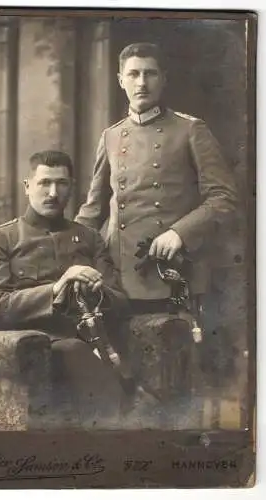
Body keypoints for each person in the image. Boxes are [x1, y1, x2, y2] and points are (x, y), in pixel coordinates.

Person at [75, 42, 238, 425]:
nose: (141, 82)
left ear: (163, 79)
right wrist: (73, 257)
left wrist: (180, 233)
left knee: (169, 387)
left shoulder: (190, 129)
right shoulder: (112, 137)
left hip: (170, 277)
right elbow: (92, 209)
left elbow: (224, 198)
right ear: (120, 81)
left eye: (150, 73)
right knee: (114, 379)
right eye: (133, 74)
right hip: (116, 278)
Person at [0, 150, 131, 427]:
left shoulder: (89, 238)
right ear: (27, 187)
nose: (53, 192)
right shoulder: (1, 238)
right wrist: (57, 288)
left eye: (61, 183)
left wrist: (98, 290)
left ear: (71, 188)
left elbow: (120, 302)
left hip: (95, 340)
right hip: (38, 343)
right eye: (44, 183)